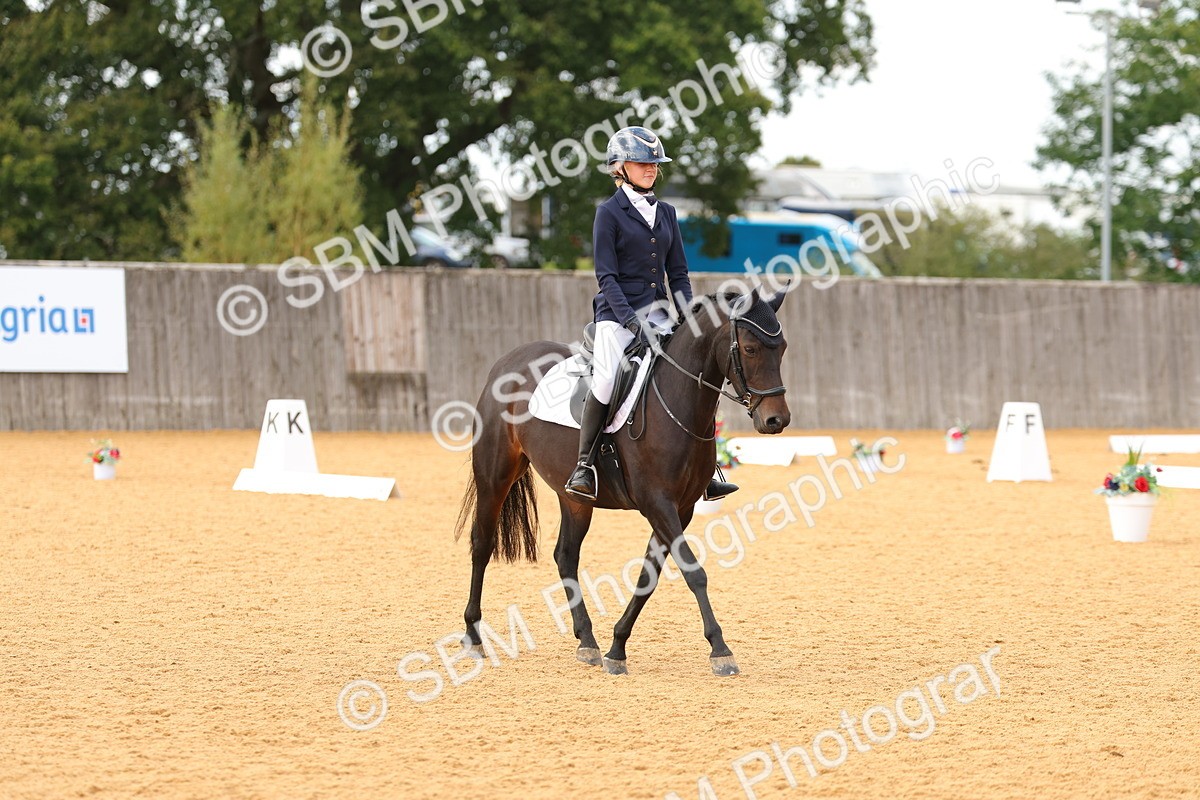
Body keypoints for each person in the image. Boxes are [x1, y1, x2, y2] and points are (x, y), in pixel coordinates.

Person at [564, 126, 738, 502]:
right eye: (643, 163)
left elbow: (677, 273)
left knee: (695, 374)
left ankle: (707, 470)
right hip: (616, 315)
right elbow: (605, 276)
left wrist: (689, 316)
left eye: (654, 164)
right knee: (608, 378)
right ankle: (584, 465)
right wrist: (630, 319)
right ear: (620, 167)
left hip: (660, 314)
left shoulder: (667, 213)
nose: (651, 169)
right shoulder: (608, 214)